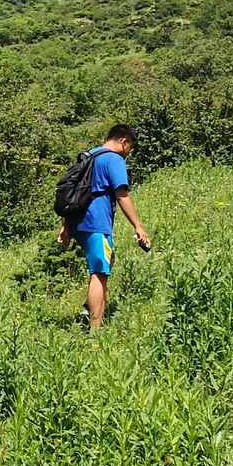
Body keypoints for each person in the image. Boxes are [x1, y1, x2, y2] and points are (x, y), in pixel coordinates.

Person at [56, 124, 152, 331]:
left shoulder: (89, 155)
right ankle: (95, 329)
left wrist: (65, 227)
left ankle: (88, 308)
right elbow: (122, 195)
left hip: (77, 221)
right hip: (96, 223)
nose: (128, 154)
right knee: (99, 272)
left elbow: (75, 189)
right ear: (124, 141)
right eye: (130, 148)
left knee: (108, 259)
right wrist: (139, 226)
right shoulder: (114, 159)